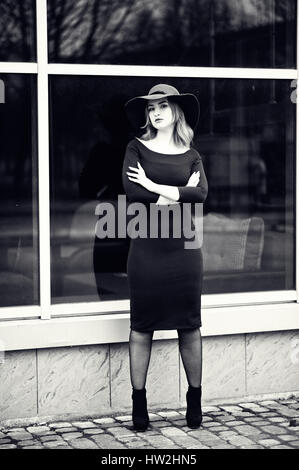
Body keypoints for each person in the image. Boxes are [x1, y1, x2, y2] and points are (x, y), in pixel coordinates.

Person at [122, 84, 208, 431]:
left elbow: (200, 193)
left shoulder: (191, 154)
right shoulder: (135, 148)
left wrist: (155, 187)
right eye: (150, 108)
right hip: (146, 250)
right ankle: (139, 404)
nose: (155, 113)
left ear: (176, 112)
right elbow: (132, 194)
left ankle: (194, 399)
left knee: (189, 325)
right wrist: (177, 193)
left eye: (162, 106)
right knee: (142, 327)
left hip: (184, 253)